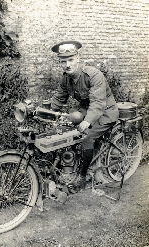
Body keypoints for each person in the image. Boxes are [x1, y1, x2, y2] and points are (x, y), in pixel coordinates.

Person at [50, 41, 119, 192]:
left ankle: (82, 177)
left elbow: (98, 103)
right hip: (87, 109)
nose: (67, 65)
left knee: (86, 136)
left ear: (78, 58)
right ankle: (69, 164)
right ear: (60, 62)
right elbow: (58, 99)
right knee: (68, 122)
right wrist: (44, 113)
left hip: (106, 111)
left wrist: (87, 121)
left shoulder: (93, 75)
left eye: (71, 60)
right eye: (63, 61)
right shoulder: (66, 78)